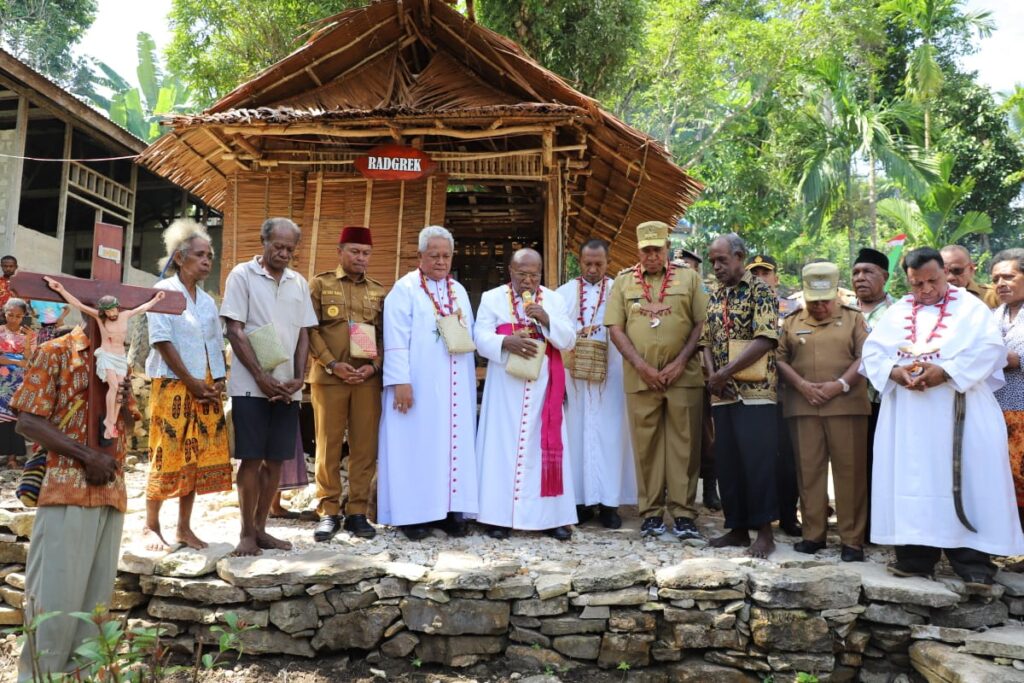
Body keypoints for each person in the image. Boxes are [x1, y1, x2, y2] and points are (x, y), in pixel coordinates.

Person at [861, 247, 1024, 583]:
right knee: (912, 480)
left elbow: (990, 350)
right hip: (908, 418)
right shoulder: (898, 312)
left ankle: (972, 564)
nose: (926, 290)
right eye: (916, 284)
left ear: (944, 274)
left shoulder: (970, 308)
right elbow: (872, 354)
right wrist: (894, 372)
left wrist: (946, 372)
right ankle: (915, 558)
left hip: (959, 412)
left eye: (932, 281)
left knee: (966, 479)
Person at [13, 326, 134, 681]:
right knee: (54, 603)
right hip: (66, 490)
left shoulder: (119, 358)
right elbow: (27, 421)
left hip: (111, 492)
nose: (113, 317)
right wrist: (86, 457)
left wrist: (122, 399)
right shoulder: (56, 352)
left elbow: (127, 425)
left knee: (94, 610)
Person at [221, 217, 318, 556]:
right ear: (264, 242)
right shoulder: (242, 276)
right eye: (278, 246)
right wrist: (261, 377)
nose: (284, 253)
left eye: (290, 249)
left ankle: (263, 528)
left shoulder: (298, 283)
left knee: (276, 460)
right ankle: (246, 532)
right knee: (251, 459)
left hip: (287, 386)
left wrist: (300, 376)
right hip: (251, 385)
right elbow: (234, 330)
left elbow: (305, 332)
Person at [606, 223, 706, 540]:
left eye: (657, 249)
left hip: (683, 376)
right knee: (645, 446)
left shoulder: (689, 278)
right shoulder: (623, 282)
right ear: (638, 250)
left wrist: (679, 363)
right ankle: (650, 514)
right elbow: (615, 328)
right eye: (646, 250)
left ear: (666, 247)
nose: (652, 255)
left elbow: (701, 324)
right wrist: (640, 365)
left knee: (685, 444)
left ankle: (684, 514)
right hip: (640, 377)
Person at [378, 226, 478, 539]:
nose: (440, 261)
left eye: (446, 255)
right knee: (416, 447)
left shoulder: (458, 291)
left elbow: (467, 336)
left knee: (451, 447)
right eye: (434, 255)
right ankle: (412, 516)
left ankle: (449, 511)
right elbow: (395, 339)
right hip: (417, 386)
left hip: (454, 389)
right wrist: (400, 382)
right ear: (420, 256)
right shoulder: (405, 289)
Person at [475, 248, 577, 540]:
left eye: (534, 275)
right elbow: (479, 337)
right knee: (502, 449)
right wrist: (505, 341)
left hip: (545, 387)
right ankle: (498, 516)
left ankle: (550, 518)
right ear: (510, 271)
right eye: (522, 275)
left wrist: (546, 319)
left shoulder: (554, 300)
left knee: (542, 448)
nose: (528, 281)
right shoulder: (492, 298)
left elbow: (569, 339)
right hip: (506, 388)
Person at [142, 220, 232, 550]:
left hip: (205, 387)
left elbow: (214, 343)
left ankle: (183, 527)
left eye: (210, 255)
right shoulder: (163, 290)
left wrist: (217, 380)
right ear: (180, 258)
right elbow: (162, 341)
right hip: (172, 384)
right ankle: (151, 525)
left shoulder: (208, 302)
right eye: (200, 255)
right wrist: (192, 382)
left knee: (195, 455)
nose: (208, 260)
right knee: (166, 452)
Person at [776, 263, 870, 562]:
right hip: (804, 407)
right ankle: (813, 534)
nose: (819, 307)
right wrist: (802, 385)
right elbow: (779, 358)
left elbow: (865, 356)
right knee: (809, 471)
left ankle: (852, 540)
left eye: (825, 301)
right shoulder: (791, 321)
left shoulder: (854, 319)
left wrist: (840, 385)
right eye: (814, 301)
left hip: (846, 406)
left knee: (850, 472)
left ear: (836, 295)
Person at [701, 233, 779, 558]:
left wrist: (725, 372)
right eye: (713, 260)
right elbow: (704, 342)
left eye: (722, 260)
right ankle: (736, 528)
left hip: (756, 394)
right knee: (728, 462)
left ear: (739, 256)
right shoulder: (714, 296)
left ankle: (764, 533)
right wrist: (712, 377)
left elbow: (766, 339)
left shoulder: (761, 291)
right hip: (722, 394)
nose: (716, 266)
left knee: (757, 462)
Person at [308, 226, 385, 541]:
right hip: (330, 378)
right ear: (340, 252)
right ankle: (328, 511)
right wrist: (331, 363)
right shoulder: (320, 284)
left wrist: (373, 367)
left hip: (366, 380)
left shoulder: (379, 291)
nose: (361, 258)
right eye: (355, 251)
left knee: (365, 447)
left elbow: (385, 336)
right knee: (327, 444)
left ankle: (357, 512)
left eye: (366, 253)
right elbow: (309, 329)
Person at [558, 239, 637, 529]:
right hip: (575, 378)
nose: (592, 269)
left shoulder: (621, 290)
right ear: (579, 262)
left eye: (599, 264)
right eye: (587, 263)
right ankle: (579, 503)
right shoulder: (563, 294)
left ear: (608, 262)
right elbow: (554, 332)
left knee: (612, 436)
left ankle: (609, 504)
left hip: (612, 375)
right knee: (576, 434)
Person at [44, 277, 165, 439]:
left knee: (121, 391)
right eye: (108, 311)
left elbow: (143, 308)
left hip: (120, 356)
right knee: (113, 387)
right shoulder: (100, 318)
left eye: (113, 310)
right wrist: (60, 289)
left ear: (117, 308)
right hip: (107, 355)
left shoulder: (125, 315)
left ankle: (111, 421)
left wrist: (156, 299)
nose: (111, 314)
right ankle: (109, 421)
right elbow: (79, 305)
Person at [746, 254, 801, 538]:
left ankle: (789, 516)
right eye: (754, 273)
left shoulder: (792, 310)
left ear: (776, 278)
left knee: (788, 458)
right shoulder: (742, 306)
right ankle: (760, 514)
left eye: (765, 273)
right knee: (758, 457)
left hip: (785, 395)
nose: (760, 278)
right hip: (754, 395)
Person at [851, 246, 895, 540]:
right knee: (852, 466)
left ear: (885, 277)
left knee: (881, 464)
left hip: (883, 402)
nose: (860, 277)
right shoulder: (842, 311)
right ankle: (856, 526)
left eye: (868, 272)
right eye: (855, 272)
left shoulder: (900, 313)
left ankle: (882, 527)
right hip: (846, 402)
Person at [991, 248, 1024, 532]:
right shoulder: (991, 316)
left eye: (1009, 276)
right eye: (996, 278)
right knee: (1007, 481)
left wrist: (1011, 359)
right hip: (996, 411)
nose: (1001, 283)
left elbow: (1012, 359)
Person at [0, 299, 31, 467]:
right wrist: (18, 361)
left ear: (23, 316)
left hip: (19, 382)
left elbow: (29, 361)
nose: (13, 319)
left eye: (18, 316)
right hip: (1, 382)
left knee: (15, 417)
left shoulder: (28, 335)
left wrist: (27, 342)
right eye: (10, 315)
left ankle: (13, 458)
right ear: (4, 313)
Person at [941, 244, 998, 309]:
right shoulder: (931, 299)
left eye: (957, 270)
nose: (950, 278)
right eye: (944, 272)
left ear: (971, 269)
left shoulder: (993, 296)